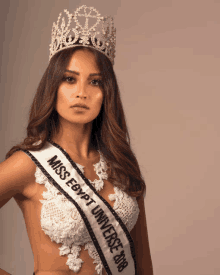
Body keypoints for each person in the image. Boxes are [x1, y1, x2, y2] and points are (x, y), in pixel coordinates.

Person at [0, 4, 153, 275]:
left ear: (107, 93)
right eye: (69, 79)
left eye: (95, 82)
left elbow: (144, 265)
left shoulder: (122, 165)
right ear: (52, 86)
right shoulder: (28, 164)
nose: (81, 92)